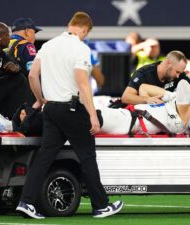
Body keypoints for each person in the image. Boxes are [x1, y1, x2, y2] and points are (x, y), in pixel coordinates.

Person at [15, 12, 123, 219]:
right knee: (87, 157)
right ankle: (100, 206)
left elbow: (32, 75)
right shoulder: (80, 48)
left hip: (51, 109)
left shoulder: (48, 45)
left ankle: (26, 202)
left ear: (69, 25)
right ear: (84, 29)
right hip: (72, 109)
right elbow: (83, 83)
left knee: (44, 157)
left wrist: (41, 99)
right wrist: (92, 114)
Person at [0, 80, 190, 136]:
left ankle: (14, 124)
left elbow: (183, 87)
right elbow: (144, 87)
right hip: (125, 117)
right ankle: (19, 121)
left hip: (126, 120)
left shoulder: (181, 120)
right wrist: (164, 96)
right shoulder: (175, 114)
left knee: (74, 116)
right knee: (69, 114)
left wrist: (170, 95)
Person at [121, 50, 190, 105]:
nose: (178, 76)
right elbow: (125, 97)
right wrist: (147, 100)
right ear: (168, 63)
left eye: (180, 73)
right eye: (177, 72)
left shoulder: (179, 74)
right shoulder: (144, 73)